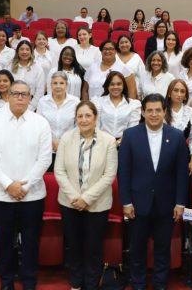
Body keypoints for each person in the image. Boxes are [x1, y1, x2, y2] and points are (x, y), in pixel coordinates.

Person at [0, 80, 52, 290]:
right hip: (1, 195)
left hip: (33, 195)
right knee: (4, 242)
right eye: (16, 94)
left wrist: (26, 186)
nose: (20, 97)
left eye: (24, 94)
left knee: (31, 242)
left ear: (30, 98)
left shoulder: (41, 123)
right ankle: (6, 281)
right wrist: (8, 185)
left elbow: (45, 158)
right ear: (8, 96)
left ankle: (29, 281)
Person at [118, 94, 189, 290]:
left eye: (158, 110)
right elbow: (123, 172)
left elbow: (182, 174)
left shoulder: (176, 136)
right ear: (142, 112)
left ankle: (160, 284)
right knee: (137, 249)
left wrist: (180, 203)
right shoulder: (130, 135)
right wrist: (126, 202)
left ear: (164, 111)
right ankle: (138, 284)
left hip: (167, 205)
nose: (154, 114)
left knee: (162, 250)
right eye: (149, 110)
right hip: (137, 204)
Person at [54, 100, 118, 290]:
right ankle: (76, 283)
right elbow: (59, 171)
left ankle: (91, 284)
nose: (84, 120)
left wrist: (87, 198)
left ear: (96, 118)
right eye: (80, 116)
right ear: (75, 119)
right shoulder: (66, 138)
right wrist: (76, 198)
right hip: (69, 203)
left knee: (93, 247)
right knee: (74, 246)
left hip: (97, 205)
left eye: (88, 115)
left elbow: (109, 175)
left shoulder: (108, 141)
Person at [37, 71, 79, 167]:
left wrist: (63, 142)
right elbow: (39, 125)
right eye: (55, 83)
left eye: (61, 83)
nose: (58, 86)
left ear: (66, 85)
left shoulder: (75, 101)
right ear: (51, 85)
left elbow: (78, 126)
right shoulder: (43, 101)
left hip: (69, 148)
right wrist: (52, 142)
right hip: (46, 148)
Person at [92, 70, 142, 146]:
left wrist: (118, 143)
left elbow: (132, 129)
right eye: (112, 84)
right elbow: (96, 126)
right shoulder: (98, 102)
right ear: (107, 86)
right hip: (102, 144)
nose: (115, 87)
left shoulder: (133, 105)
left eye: (119, 84)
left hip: (125, 144)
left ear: (123, 85)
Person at [164, 79, 192, 176]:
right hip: (163, 156)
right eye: (176, 90)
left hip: (183, 155)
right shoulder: (162, 111)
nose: (179, 94)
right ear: (169, 93)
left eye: (182, 91)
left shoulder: (190, 112)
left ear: (185, 96)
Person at [8, 40, 45, 111]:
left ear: (31, 52)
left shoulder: (37, 68)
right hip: (11, 105)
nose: (24, 52)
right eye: (21, 49)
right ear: (17, 52)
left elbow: (39, 91)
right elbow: (6, 87)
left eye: (27, 49)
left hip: (31, 106)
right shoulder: (10, 66)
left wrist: (30, 108)